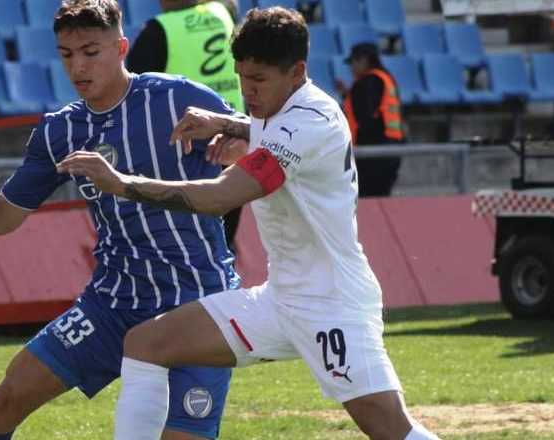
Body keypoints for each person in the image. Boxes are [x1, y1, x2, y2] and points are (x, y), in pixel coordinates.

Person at [58, 8, 439, 439]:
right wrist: (225, 123)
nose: (247, 91)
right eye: (241, 76)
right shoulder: (279, 107)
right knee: (146, 344)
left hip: (331, 304)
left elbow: (221, 196)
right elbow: (267, 128)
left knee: (390, 429)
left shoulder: (310, 121)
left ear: (297, 72)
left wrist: (122, 183)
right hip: (279, 301)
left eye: (258, 79)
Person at [0, 2, 239, 439]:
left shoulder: (178, 98)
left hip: (196, 300)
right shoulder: (61, 131)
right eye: (66, 54)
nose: (78, 66)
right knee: (3, 401)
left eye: (90, 52)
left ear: (121, 48)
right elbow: (3, 216)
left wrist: (236, 147)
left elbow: (255, 141)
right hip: (114, 303)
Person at [127, 0, 247, 252]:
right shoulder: (223, 12)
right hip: (232, 147)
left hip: (184, 157)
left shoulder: (157, 31)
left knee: (185, 249)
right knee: (222, 246)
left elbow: (130, 97)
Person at [340, 42, 405, 198]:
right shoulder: (386, 78)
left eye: (353, 62)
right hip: (393, 150)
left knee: (366, 200)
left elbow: (365, 117)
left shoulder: (366, 81)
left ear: (364, 60)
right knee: (381, 199)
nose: (351, 68)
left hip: (373, 154)